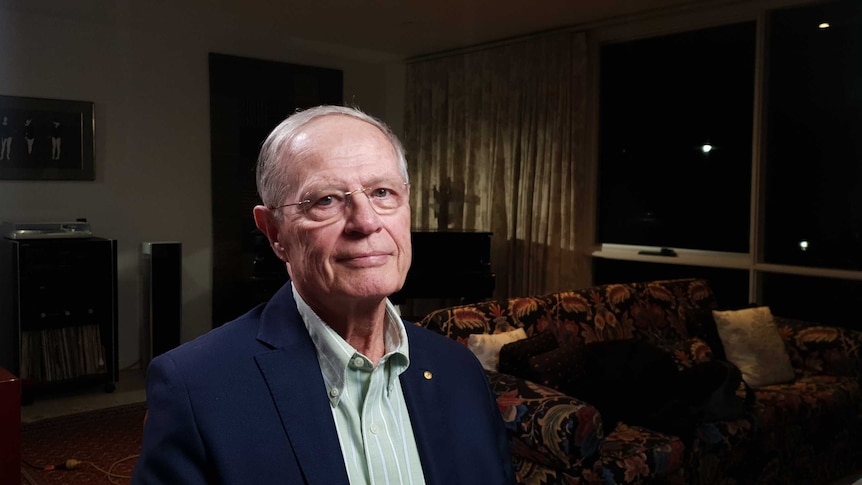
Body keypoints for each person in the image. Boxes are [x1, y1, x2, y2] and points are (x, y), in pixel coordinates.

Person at [132, 105, 513, 484]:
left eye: (383, 192)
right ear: (274, 233)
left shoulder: (460, 370)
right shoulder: (194, 387)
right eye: (326, 200)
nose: (366, 222)